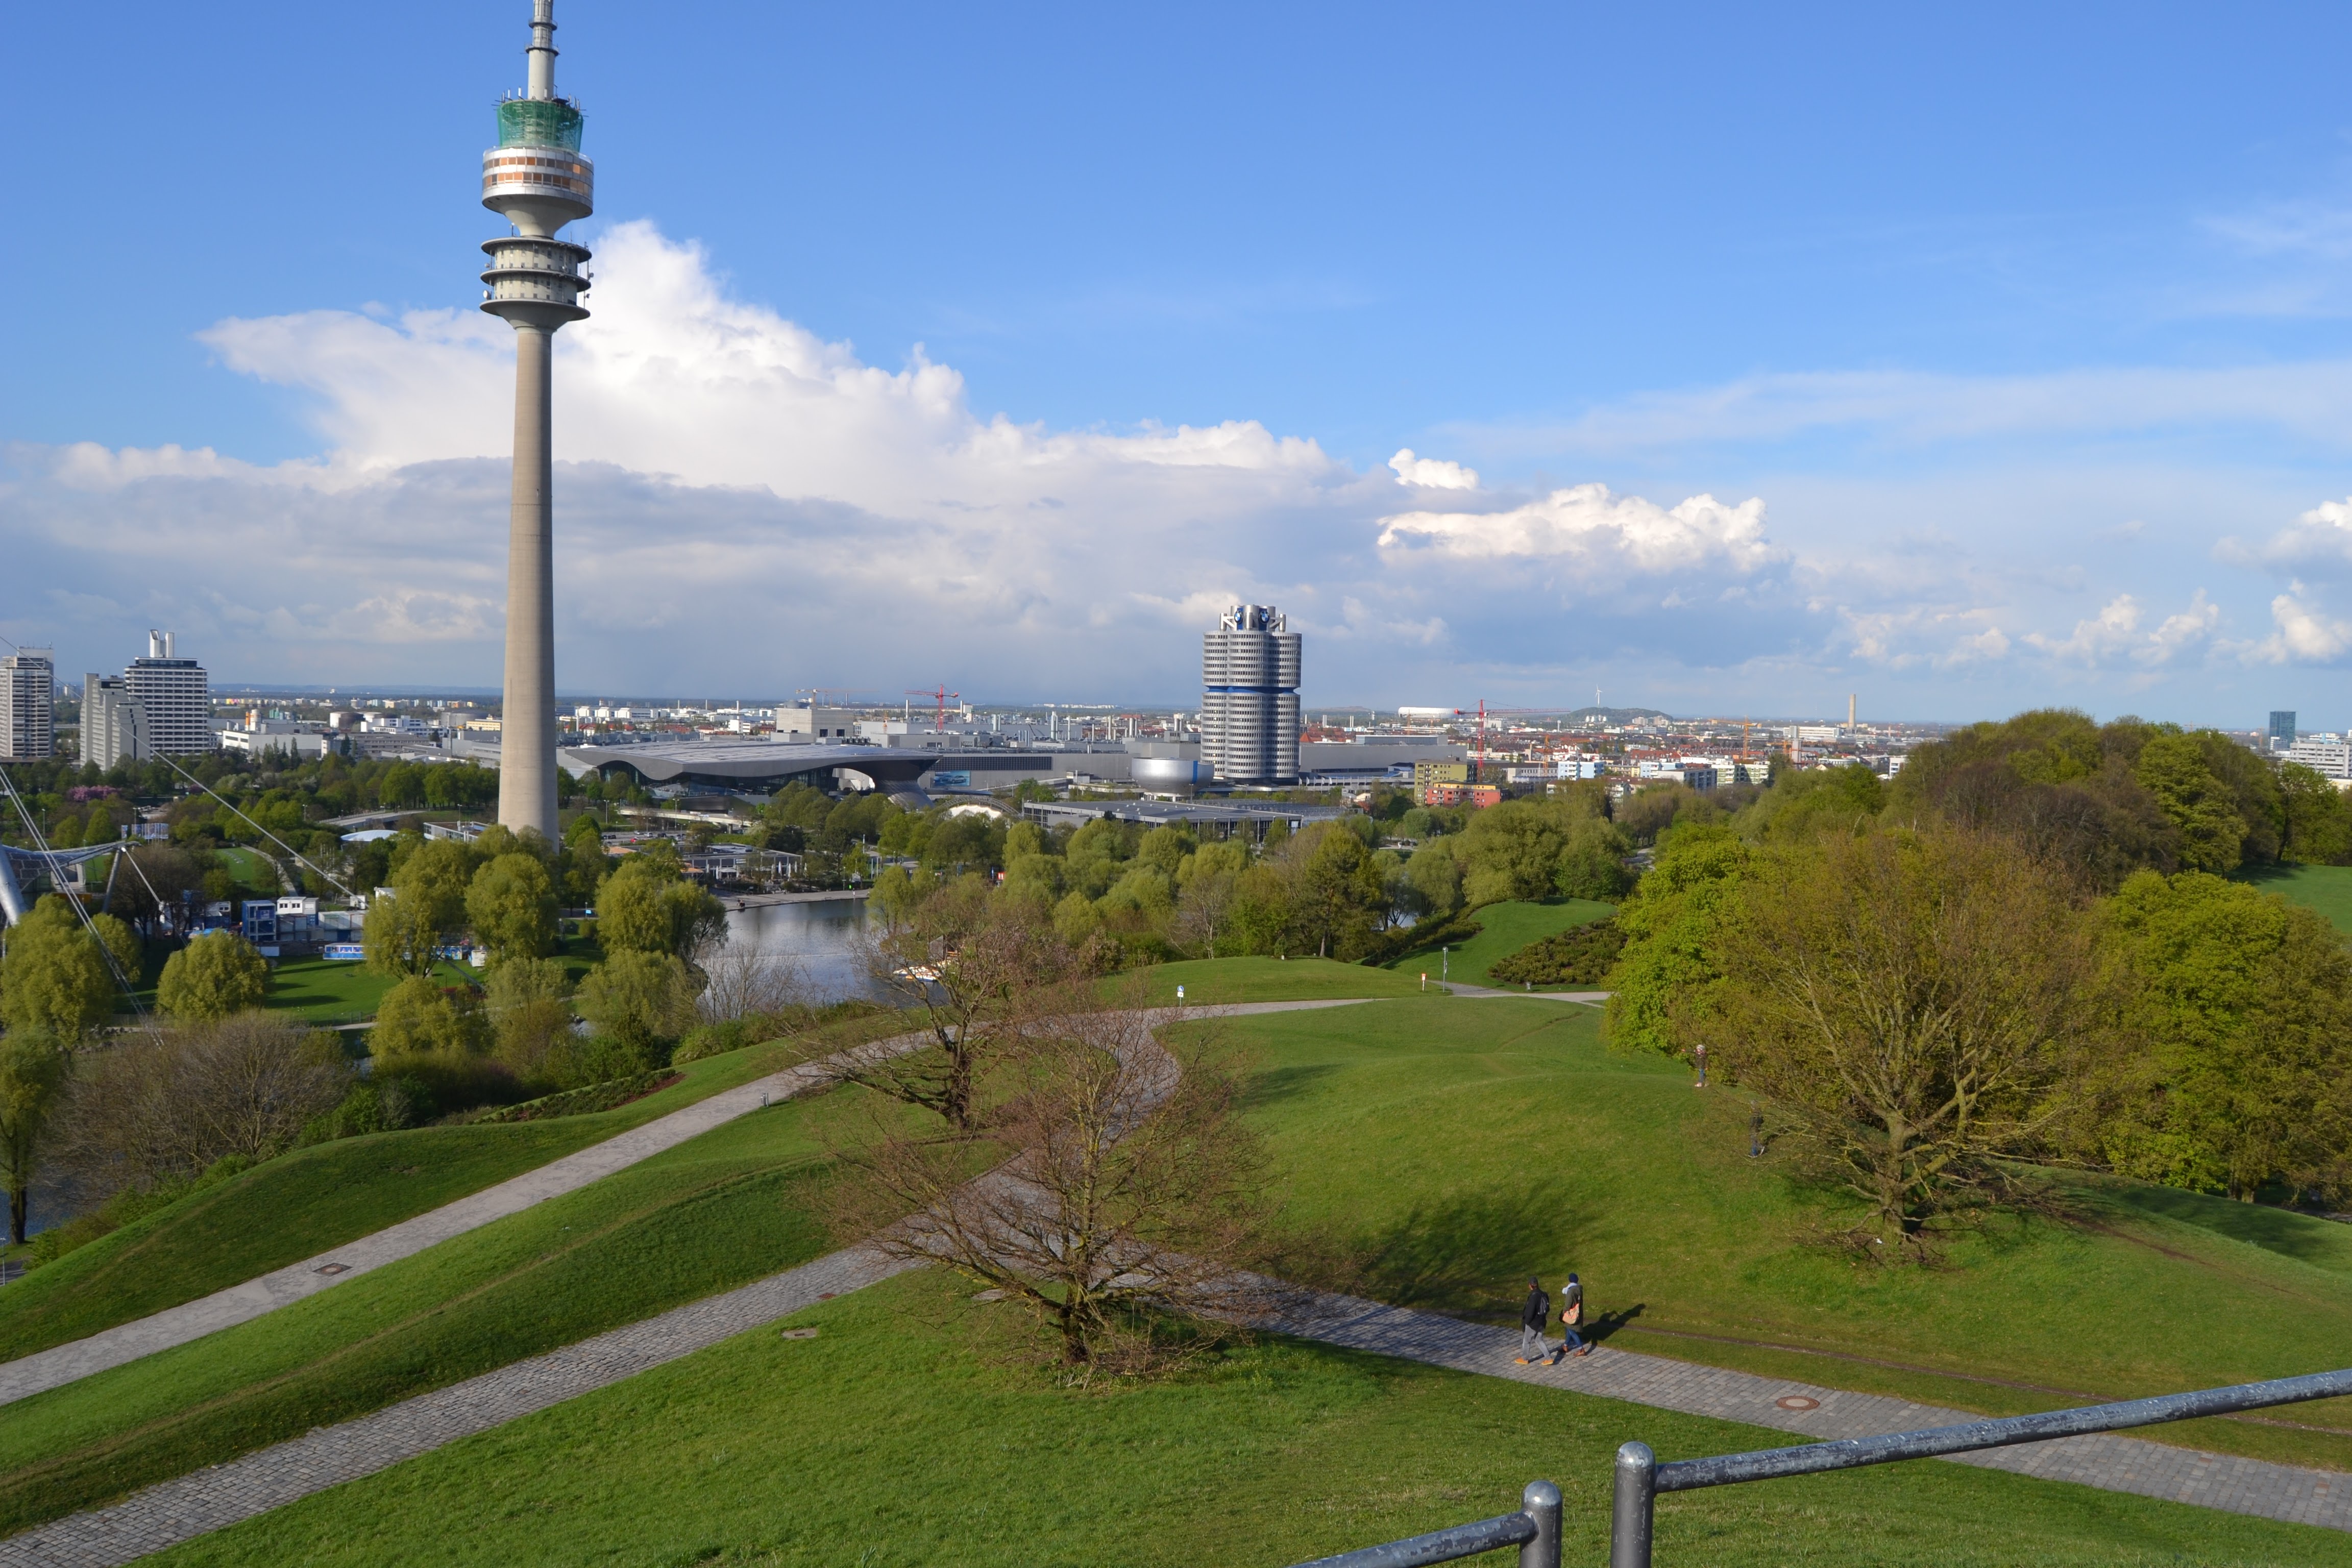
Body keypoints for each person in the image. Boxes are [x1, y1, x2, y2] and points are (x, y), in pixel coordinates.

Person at [1547, 1272, 1590, 1362]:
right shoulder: (1579, 1289)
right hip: (1577, 1313)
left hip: (1571, 1314)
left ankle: (1581, 1349)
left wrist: (1563, 1314)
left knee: (1572, 1331)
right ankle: (1566, 1346)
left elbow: (1567, 1306)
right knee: (1569, 1329)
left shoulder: (1571, 1291)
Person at [1514, 1275, 1550, 1363]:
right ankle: (1549, 1358)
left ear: (1530, 1285)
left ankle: (1524, 1359)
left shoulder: (1533, 1296)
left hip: (1533, 1323)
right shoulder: (1544, 1294)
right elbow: (1547, 1308)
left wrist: (1527, 1322)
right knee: (1539, 1340)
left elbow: (1530, 1312)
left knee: (1527, 1341)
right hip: (1542, 1322)